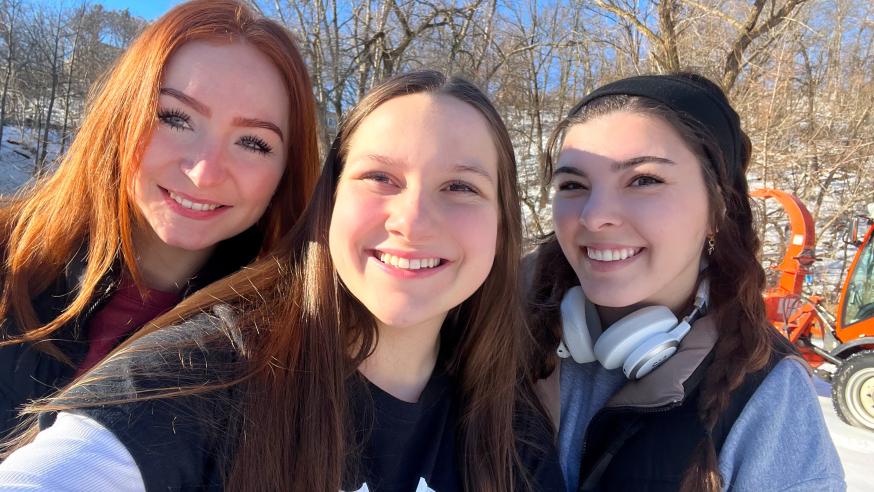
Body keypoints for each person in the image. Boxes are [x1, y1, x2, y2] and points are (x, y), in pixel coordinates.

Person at [0, 70, 564, 492]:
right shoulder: (205, 374)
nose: (413, 221)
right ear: (329, 205)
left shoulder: (513, 434)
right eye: (380, 177)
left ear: (502, 224)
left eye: (461, 187)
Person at [0, 0, 319, 439]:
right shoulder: (8, 256)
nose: (204, 172)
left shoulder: (285, 354)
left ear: (286, 172)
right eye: (175, 118)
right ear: (120, 119)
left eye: (253, 142)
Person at [526, 73, 845, 491]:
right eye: (572, 185)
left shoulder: (769, 397)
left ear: (718, 209)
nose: (594, 215)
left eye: (644, 180)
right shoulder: (486, 330)